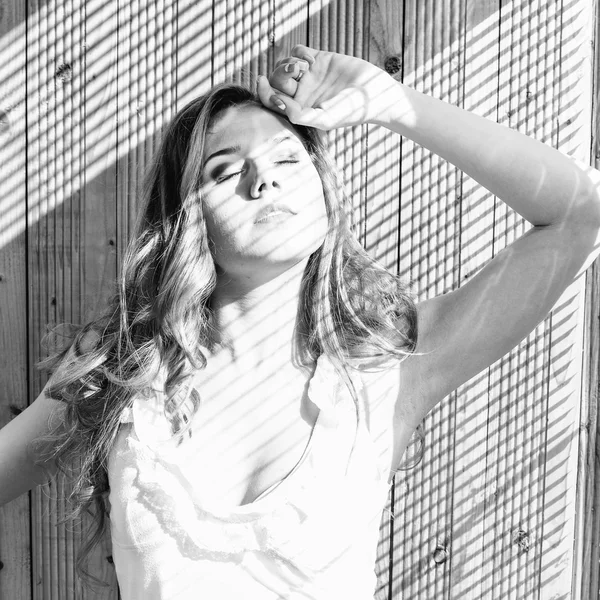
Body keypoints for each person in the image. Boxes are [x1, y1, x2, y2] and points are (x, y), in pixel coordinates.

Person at [1, 44, 599, 600]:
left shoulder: (385, 370)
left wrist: (394, 105)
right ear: (187, 217)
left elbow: (580, 214)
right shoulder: (123, 375)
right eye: (223, 170)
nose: (265, 180)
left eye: (288, 157)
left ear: (323, 190)